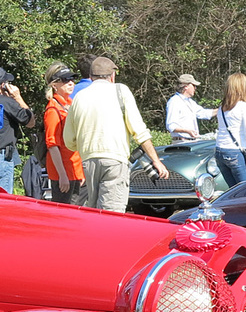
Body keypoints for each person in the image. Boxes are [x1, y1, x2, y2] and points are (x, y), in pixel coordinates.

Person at [62, 54, 169, 213]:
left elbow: (68, 140)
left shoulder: (79, 97)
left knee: (94, 211)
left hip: (89, 161)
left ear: (91, 77)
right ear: (112, 76)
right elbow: (139, 131)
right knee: (112, 214)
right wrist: (156, 161)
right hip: (115, 160)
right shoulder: (121, 91)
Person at [41, 63, 85, 205]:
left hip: (75, 170)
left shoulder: (70, 104)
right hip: (63, 173)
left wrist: (80, 172)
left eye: (72, 79)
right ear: (55, 85)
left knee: (75, 214)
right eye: (65, 80)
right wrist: (62, 175)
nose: (71, 83)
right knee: (63, 216)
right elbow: (52, 145)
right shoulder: (53, 110)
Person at [214, 71, 246, 189]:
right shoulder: (244, 107)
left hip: (220, 151)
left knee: (233, 189)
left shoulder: (222, 108)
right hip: (235, 152)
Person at [165, 74, 216, 141]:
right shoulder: (174, 101)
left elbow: (203, 113)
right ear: (186, 86)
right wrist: (187, 131)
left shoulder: (190, 102)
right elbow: (171, 126)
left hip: (191, 141)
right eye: (193, 85)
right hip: (181, 143)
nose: (195, 88)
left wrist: (223, 109)